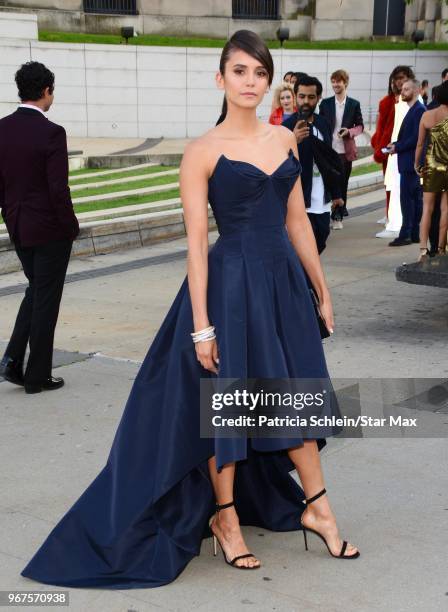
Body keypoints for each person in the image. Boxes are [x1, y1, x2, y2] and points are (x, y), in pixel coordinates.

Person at [20, 30, 359, 590]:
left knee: (295, 394)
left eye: (260, 73)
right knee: (225, 406)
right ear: (220, 78)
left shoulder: (285, 140)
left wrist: (321, 288)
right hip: (228, 289)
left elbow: (298, 220)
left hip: (281, 285)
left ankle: (318, 508)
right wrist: (202, 326)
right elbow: (197, 246)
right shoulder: (202, 151)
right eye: (241, 71)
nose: (251, 82)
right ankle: (226, 520)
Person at [0, 61, 79, 394]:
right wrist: (70, 226)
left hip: (18, 225)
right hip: (49, 229)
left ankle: (12, 360)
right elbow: (57, 189)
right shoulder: (52, 132)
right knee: (46, 300)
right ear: (47, 91)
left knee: (36, 292)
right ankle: (37, 376)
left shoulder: (1, 128)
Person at [283, 75, 343, 254]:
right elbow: (277, 164)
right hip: (299, 200)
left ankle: (306, 280)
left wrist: (336, 194)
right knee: (301, 250)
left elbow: (329, 162)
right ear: (295, 97)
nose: (306, 101)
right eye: (302, 96)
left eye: (311, 97)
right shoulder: (285, 128)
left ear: (318, 98)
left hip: (322, 200)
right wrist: (293, 140)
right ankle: (304, 281)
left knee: (321, 239)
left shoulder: (323, 124)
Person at [320, 69, 364, 229]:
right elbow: (321, 124)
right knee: (329, 183)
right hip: (329, 151)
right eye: (333, 81)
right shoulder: (325, 104)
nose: (335, 84)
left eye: (338, 81)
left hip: (345, 152)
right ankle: (328, 212)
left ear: (345, 83)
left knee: (342, 183)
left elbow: (360, 126)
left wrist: (349, 132)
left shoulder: (354, 104)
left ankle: (338, 216)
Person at [371, 66, 415, 221]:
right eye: (396, 78)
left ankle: (402, 217)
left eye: (402, 78)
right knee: (389, 185)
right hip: (388, 149)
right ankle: (390, 214)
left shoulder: (413, 101)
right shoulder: (386, 102)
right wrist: (378, 146)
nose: (399, 81)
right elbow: (382, 127)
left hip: (406, 148)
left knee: (406, 186)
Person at [386, 80, 426, 246]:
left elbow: (416, 137)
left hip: (411, 162)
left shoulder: (418, 110)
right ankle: (415, 233)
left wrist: (397, 146)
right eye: (402, 89)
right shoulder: (414, 110)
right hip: (411, 162)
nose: (403, 92)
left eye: (407, 89)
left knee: (408, 200)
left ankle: (406, 233)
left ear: (416, 91)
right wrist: (395, 143)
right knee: (415, 199)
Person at [415, 80, 448, 261]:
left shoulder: (427, 115)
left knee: (427, 208)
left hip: (431, 165)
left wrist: (417, 164)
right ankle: (441, 248)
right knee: (445, 209)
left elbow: (420, 144)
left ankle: (423, 249)